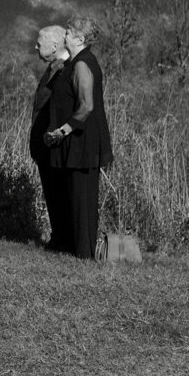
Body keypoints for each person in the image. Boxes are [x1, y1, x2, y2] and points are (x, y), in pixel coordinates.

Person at [43, 24, 114, 261]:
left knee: (82, 200)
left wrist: (62, 131)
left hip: (83, 144)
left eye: (68, 32)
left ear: (80, 38)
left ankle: (84, 256)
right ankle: (74, 250)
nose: (63, 34)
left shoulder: (83, 64)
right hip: (73, 144)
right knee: (73, 198)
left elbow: (87, 106)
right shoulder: (72, 64)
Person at [29, 24, 71, 254]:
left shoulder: (65, 69)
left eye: (39, 42)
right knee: (52, 192)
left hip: (53, 143)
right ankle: (58, 238)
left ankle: (63, 239)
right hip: (44, 145)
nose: (35, 46)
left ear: (54, 46)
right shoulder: (52, 68)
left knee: (59, 191)